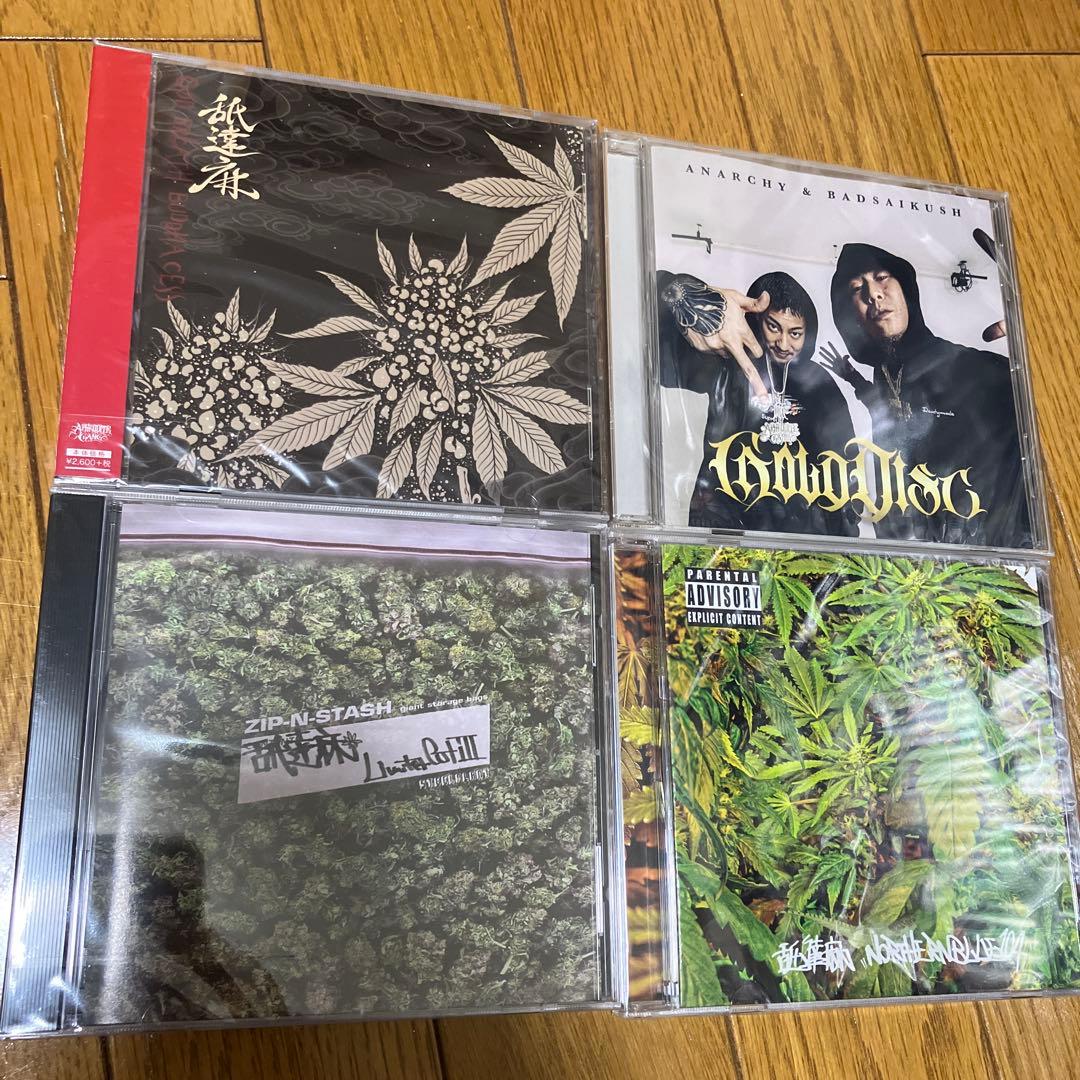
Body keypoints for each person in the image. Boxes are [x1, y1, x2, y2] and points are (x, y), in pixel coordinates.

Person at [819, 242, 1029, 547]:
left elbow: (1032, 414)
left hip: (987, 557)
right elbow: (888, 410)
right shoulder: (885, 371)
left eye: (882, 277)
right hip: (908, 557)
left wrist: (1044, 352)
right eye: (856, 288)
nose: (873, 294)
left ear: (906, 291)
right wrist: (852, 377)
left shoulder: (968, 367)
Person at [657, 269, 857, 534]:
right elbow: (658, 327)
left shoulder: (818, 381)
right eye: (774, 327)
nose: (783, 343)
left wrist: (844, 531)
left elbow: (844, 457)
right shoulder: (728, 362)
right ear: (756, 320)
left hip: (804, 536)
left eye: (795, 333)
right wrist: (689, 296)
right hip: (727, 528)